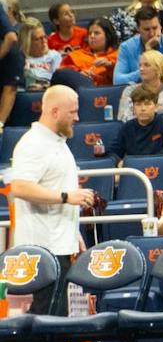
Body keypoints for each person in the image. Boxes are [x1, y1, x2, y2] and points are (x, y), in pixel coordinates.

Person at [3, 86, 94, 315]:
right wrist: (66, 197)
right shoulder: (34, 143)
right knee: (47, 318)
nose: (77, 117)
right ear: (55, 111)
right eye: (72, 112)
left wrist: (74, 233)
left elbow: (55, 187)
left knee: (56, 316)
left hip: (59, 244)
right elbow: (21, 187)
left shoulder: (57, 143)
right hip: (43, 248)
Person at [113, 8, 163, 87]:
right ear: (138, 29)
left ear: (160, 25)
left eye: (155, 28)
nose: (152, 33)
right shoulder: (126, 47)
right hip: (138, 94)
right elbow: (117, 80)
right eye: (147, 29)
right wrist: (147, 59)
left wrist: (143, 71)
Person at [107, 86, 163, 162]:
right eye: (138, 104)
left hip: (160, 166)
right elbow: (112, 152)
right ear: (133, 108)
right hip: (134, 170)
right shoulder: (127, 128)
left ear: (156, 107)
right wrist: (118, 162)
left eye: (147, 104)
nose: (143, 108)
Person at [60, 20, 118, 86]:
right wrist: (78, 74)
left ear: (108, 36)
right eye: (90, 33)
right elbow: (61, 75)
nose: (92, 36)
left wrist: (110, 65)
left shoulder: (119, 54)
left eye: (97, 33)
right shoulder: (75, 55)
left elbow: (123, 78)